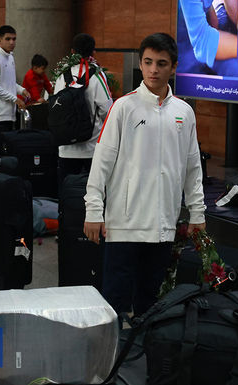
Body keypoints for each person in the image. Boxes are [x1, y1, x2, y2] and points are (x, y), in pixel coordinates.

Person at [83, 33, 206, 316]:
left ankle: (146, 354)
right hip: (124, 224)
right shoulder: (124, 107)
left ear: (173, 67)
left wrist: (197, 213)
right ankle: (111, 357)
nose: (153, 70)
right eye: (148, 62)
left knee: (150, 301)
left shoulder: (184, 113)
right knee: (114, 300)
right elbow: (101, 162)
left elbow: (192, 167)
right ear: (140, 64)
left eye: (161, 63)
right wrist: (93, 211)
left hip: (163, 226)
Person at [54, 33, 113, 183]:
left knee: (67, 191)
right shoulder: (97, 75)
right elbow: (108, 110)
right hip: (91, 147)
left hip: (65, 146)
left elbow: (56, 105)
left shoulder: (62, 74)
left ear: (72, 51)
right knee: (93, 191)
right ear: (93, 52)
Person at [0, 25, 30, 130]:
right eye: (8, 39)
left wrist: (22, 90)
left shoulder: (10, 58)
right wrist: (15, 99)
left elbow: (8, 82)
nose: (11, 42)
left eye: (14, 39)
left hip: (10, 114)